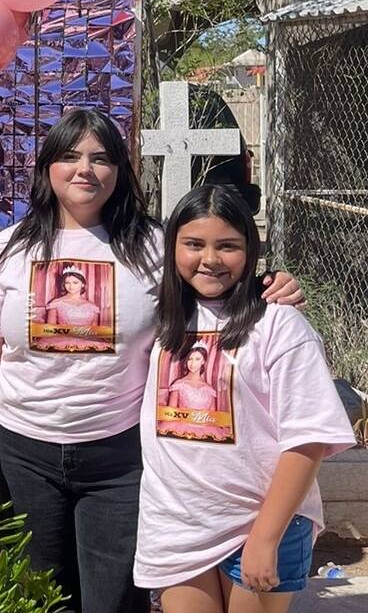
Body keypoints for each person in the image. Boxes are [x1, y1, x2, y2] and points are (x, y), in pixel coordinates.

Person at [0, 108, 303, 613]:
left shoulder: (154, 245)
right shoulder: (8, 249)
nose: (85, 169)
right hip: (24, 450)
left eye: (101, 158)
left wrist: (272, 288)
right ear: (47, 166)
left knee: (114, 598)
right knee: (36, 593)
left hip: (120, 456)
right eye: (70, 156)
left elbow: (215, 287)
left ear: (119, 170)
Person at [136, 185, 355, 612]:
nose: (211, 259)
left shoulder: (279, 326)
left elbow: (308, 438)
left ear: (250, 250)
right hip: (178, 521)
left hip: (259, 521)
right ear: (172, 248)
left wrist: (265, 537)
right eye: (194, 244)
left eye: (228, 246)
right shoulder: (160, 320)